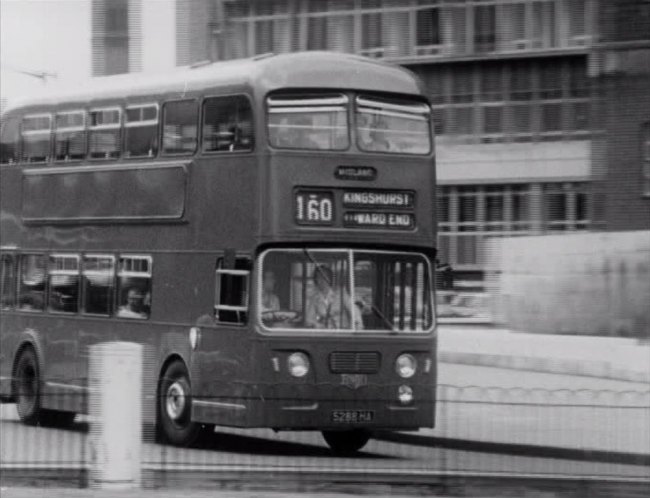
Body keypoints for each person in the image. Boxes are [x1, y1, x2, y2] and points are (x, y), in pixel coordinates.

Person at [305, 265, 363, 330]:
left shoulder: (341, 294)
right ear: (316, 280)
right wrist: (317, 325)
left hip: (343, 333)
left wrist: (357, 328)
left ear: (329, 279)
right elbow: (309, 320)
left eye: (324, 277)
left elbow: (354, 311)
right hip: (325, 335)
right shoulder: (315, 298)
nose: (321, 280)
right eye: (318, 277)